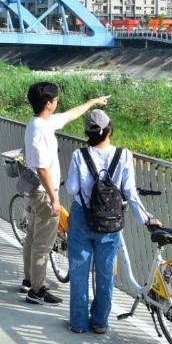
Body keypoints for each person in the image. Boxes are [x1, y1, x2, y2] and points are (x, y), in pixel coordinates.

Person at [65, 109, 161, 334]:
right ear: (109, 129)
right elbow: (129, 192)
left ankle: (78, 323)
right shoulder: (124, 155)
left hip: (82, 218)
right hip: (110, 221)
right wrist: (146, 219)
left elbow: (71, 188)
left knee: (79, 271)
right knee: (106, 273)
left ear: (87, 133)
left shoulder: (80, 156)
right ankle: (100, 322)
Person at [21, 82, 109, 305]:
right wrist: (54, 198)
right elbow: (42, 168)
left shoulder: (40, 122)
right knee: (43, 243)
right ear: (49, 103)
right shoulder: (41, 130)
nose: (58, 102)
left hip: (34, 191)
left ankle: (29, 280)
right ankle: (37, 290)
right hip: (42, 193)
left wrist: (93, 102)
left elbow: (69, 115)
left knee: (32, 237)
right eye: (56, 99)